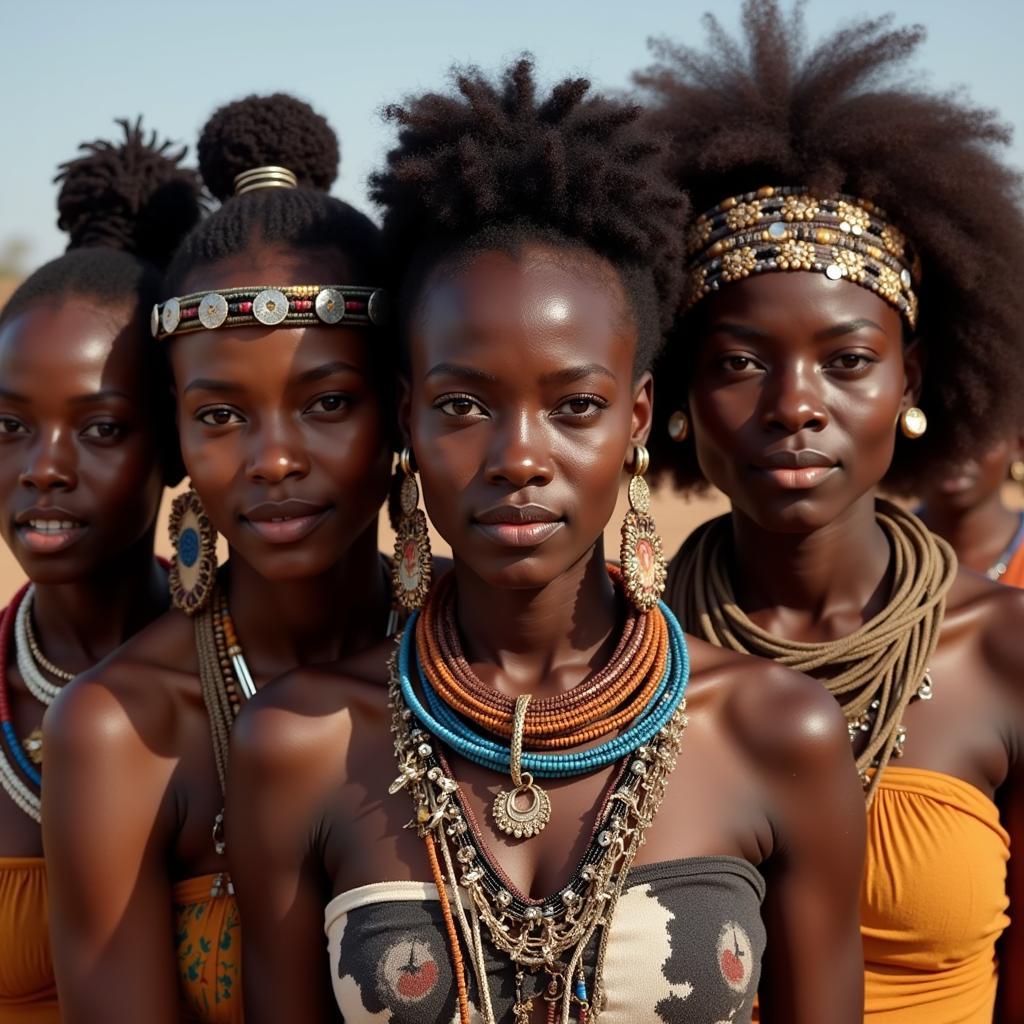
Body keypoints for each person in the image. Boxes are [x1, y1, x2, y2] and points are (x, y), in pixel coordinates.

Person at [228, 59, 866, 1024]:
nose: (519, 457)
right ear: (406, 420)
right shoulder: (298, 744)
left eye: (574, 406)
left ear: (638, 418)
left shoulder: (779, 733)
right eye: (463, 404)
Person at [636, 2, 1024, 1019]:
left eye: (847, 361)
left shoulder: (1003, 656)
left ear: (912, 380)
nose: (796, 403)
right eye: (738, 364)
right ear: (676, 400)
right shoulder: (624, 656)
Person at [43, 94, 398, 1024]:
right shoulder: (122, 729)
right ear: (179, 437)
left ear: (401, 409)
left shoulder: (492, 678)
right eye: (221, 416)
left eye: (326, 403)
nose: (273, 459)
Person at [0, 118, 200, 1023]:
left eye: (100, 427)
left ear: (177, 444)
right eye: (8, 426)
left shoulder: (250, 685)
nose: (43, 464)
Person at [918, 438, 1024, 586]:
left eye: (983, 436)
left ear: (1019, 444)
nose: (956, 453)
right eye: (937, 432)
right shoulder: (887, 551)